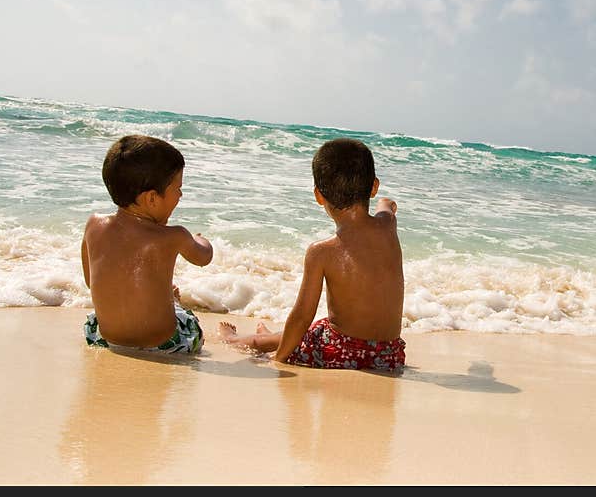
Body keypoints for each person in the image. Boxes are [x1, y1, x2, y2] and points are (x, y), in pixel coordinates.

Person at [220, 137, 406, 371]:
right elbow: (387, 208)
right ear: (374, 186)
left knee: (308, 333)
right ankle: (273, 337)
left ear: (318, 195)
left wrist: (279, 359)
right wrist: (386, 203)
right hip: (389, 355)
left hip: (341, 354)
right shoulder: (388, 225)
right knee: (316, 330)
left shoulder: (321, 252)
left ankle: (237, 340)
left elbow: (301, 317)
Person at [81, 134, 213, 353]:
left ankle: (165, 299)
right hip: (164, 346)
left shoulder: (94, 224)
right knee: (188, 321)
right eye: (177, 189)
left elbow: (90, 281)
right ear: (152, 198)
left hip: (104, 339)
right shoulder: (175, 236)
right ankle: (173, 302)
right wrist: (201, 240)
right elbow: (203, 258)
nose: (180, 195)